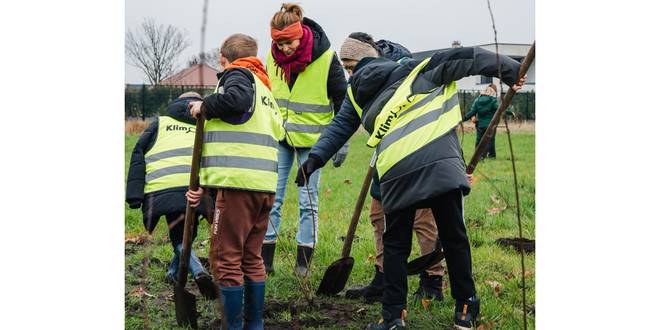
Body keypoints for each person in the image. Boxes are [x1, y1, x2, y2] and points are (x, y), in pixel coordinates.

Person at [296, 46, 526, 329]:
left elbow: (339, 127)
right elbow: (470, 57)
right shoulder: (419, 69)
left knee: (395, 244)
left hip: (397, 171)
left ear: (356, 72)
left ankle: (394, 316)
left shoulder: (356, 96)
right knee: (454, 237)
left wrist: (313, 160)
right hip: (441, 164)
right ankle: (466, 308)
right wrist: (512, 71)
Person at [186, 33, 285, 330]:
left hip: (238, 185)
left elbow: (235, 100)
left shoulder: (238, 75)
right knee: (251, 257)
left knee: (226, 257)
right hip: (263, 186)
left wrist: (204, 106)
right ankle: (254, 325)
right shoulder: (265, 90)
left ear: (223, 60)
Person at [339, 32, 445, 304]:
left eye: (352, 67)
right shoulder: (365, 77)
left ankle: (433, 280)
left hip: (416, 154)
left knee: (423, 218)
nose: (351, 75)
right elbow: (349, 118)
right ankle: (383, 277)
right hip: (384, 155)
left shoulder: (399, 65)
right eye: (348, 69)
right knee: (378, 214)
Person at [263, 3, 348, 277]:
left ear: (301, 33)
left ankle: (303, 264)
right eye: (280, 43)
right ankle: (265, 262)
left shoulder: (327, 59)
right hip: (279, 139)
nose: (285, 48)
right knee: (271, 198)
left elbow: (342, 101)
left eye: (290, 41)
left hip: (314, 143)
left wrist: (341, 141)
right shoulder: (271, 58)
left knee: (307, 201)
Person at [125, 91, 216, 300]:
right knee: (187, 230)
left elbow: (138, 153)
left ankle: (193, 271)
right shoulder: (207, 123)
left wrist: (135, 196)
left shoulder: (160, 122)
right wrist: (213, 193)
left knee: (180, 233)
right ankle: (181, 271)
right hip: (196, 189)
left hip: (163, 187)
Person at [462, 83, 514, 159]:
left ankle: (478, 156)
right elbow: (500, 109)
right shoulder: (493, 101)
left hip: (480, 125)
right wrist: (510, 112)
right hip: (490, 125)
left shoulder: (477, 101)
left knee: (479, 141)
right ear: (492, 92)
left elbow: (471, 112)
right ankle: (491, 156)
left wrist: (462, 120)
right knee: (490, 141)